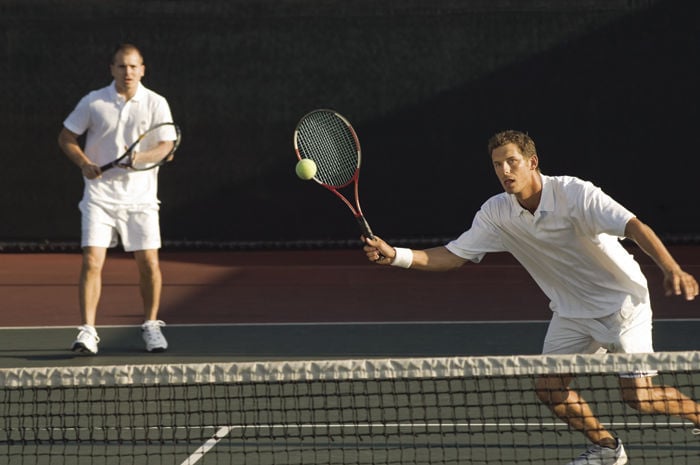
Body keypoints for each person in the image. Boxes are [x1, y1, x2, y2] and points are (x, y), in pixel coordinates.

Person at [363, 130, 700, 465]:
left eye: (512, 162)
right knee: (549, 389)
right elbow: (453, 255)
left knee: (639, 398)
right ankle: (608, 448)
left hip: (622, 306)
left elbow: (634, 226)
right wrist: (395, 255)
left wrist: (671, 268)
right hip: (571, 313)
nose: (505, 171)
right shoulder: (497, 213)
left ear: (532, 162)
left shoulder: (576, 194)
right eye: (497, 165)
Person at [58, 43, 175, 354]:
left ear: (143, 69)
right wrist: (84, 162)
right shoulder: (94, 102)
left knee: (149, 264)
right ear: (112, 69)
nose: (128, 72)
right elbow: (66, 137)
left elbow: (167, 145)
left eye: (134, 66)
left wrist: (141, 157)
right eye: (122, 66)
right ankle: (87, 331)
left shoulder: (156, 103)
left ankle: (151, 326)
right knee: (92, 261)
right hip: (100, 197)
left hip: (142, 199)